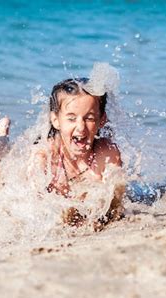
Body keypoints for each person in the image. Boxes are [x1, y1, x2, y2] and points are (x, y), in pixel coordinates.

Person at [32, 77, 123, 229]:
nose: (81, 127)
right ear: (55, 120)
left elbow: (116, 207)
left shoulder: (107, 155)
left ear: (101, 120)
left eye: (89, 118)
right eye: (71, 118)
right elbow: (31, 206)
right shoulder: (45, 156)